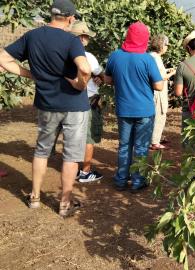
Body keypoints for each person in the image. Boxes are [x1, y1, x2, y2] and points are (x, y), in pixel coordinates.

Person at [0, 0, 91, 217]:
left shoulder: (32, 36)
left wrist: (30, 74)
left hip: (46, 104)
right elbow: (85, 68)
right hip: (74, 106)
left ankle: (34, 197)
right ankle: (64, 204)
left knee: (42, 150)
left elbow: (3, 58)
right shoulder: (72, 40)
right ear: (70, 18)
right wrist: (80, 84)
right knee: (71, 155)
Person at [104, 22, 164, 192]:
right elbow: (159, 86)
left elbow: (108, 80)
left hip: (124, 108)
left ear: (128, 36)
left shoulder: (115, 56)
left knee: (124, 145)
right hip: (144, 110)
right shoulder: (147, 59)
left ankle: (121, 180)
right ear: (145, 39)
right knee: (141, 147)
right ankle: (138, 181)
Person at [70, 21, 104, 182]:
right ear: (82, 38)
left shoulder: (63, 55)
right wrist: (99, 77)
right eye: (87, 36)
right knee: (88, 137)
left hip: (69, 101)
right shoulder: (88, 57)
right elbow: (101, 74)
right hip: (88, 101)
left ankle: (71, 169)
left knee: (73, 136)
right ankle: (85, 171)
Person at [149, 34, 176, 150]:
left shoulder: (152, 56)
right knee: (160, 115)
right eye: (166, 45)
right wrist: (172, 73)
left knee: (154, 116)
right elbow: (160, 76)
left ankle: (154, 138)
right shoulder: (155, 57)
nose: (167, 47)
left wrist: (166, 70)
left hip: (154, 91)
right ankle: (155, 141)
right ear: (161, 45)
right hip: (158, 92)